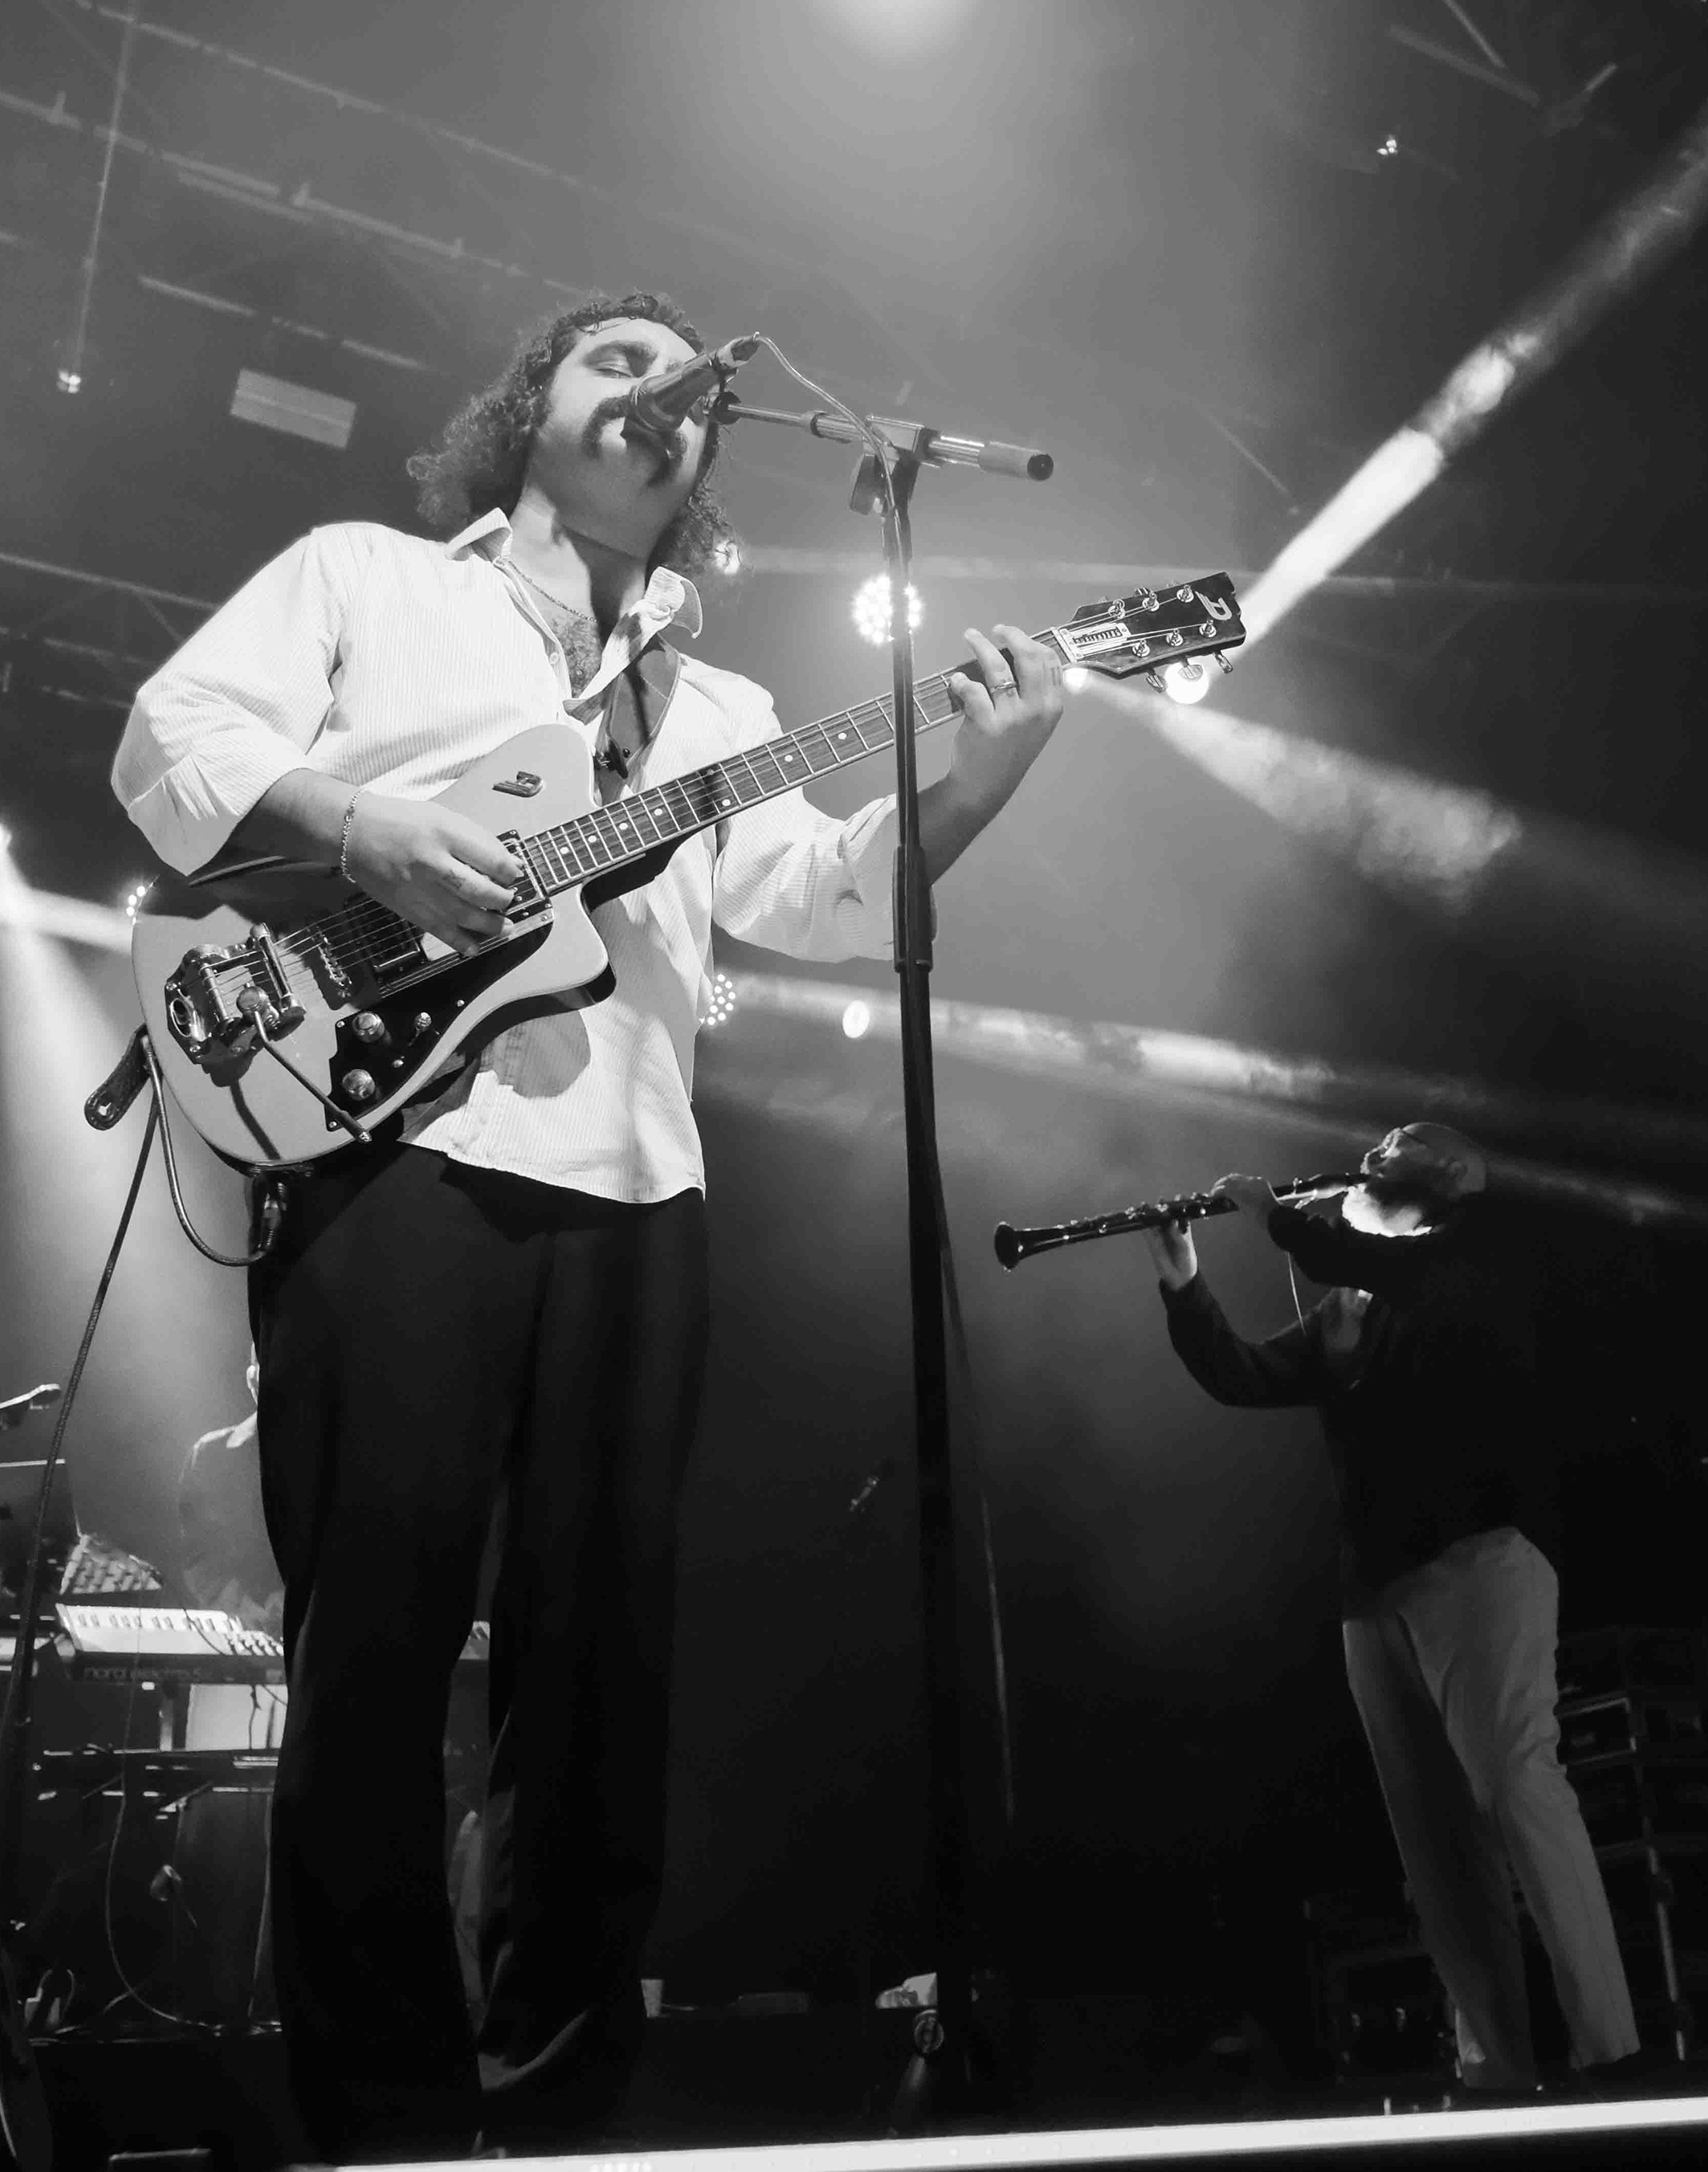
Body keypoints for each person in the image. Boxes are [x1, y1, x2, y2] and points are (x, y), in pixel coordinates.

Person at [112, 290, 1070, 2155]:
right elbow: (174, 738)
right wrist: (364, 830)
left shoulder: (719, 709)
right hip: (399, 1156)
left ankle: (558, 2110)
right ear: (528, 406)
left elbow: (829, 891)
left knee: (604, 1679)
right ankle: (383, 2121)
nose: (662, 392)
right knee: (375, 1658)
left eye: (683, 383)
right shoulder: (372, 579)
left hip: (639, 1188)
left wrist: (988, 770)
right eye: (615, 360)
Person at [1144, 1125, 1640, 2095]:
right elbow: (1242, 1374)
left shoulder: (1472, 1250)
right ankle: (1497, 2070)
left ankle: (1611, 2049)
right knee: (1435, 1841)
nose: (1382, 1143)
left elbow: (1379, 1263)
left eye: (1406, 1140)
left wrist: (1279, 1220)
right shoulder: (1354, 1293)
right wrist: (1183, 1281)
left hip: (1483, 1556)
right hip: (1374, 1587)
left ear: (1446, 1176)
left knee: (1517, 1782)